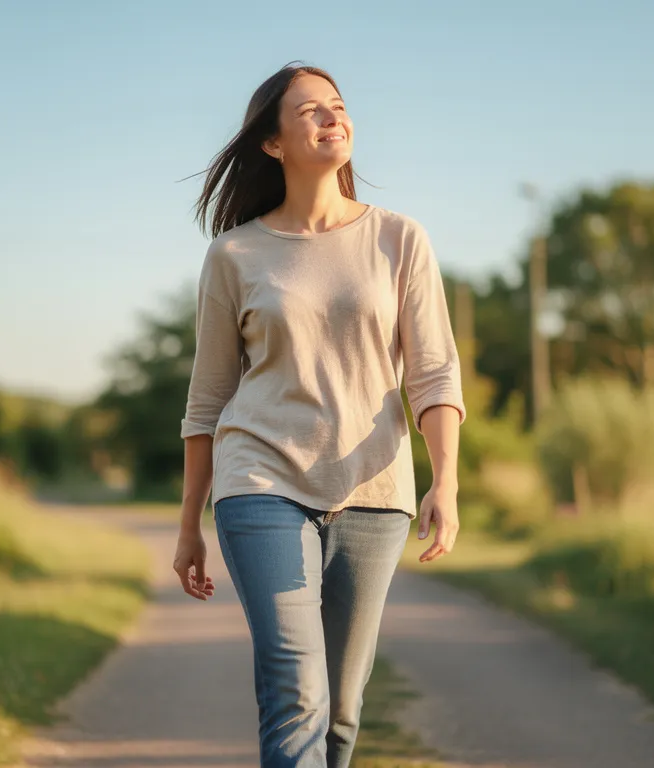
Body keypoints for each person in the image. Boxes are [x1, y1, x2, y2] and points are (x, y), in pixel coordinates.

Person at [174, 62, 465, 768]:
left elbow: (432, 373)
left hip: (373, 492)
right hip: (260, 483)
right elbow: (209, 399)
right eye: (310, 110)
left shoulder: (400, 239)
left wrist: (445, 480)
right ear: (273, 143)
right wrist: (189, 522)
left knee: (340, 712)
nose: (333, 117)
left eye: (338, 106)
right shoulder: (235, 254)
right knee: (296, 693)